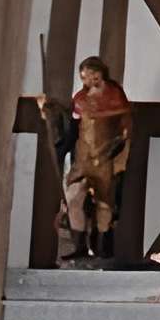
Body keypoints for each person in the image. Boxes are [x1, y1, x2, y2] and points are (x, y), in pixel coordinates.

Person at [35, 56, 131, 265]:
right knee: (73, 197)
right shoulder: (80, 99)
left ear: (100, 73)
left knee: (105, 204)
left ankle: (104, 246)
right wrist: (62, 150)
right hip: (83, 157)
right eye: (85, 76)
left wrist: (117, 151)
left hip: (107, 157)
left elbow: (125, 129)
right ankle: (79, 245)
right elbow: (73, 130)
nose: (90, 79)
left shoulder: (115, 96)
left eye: (92, 74)